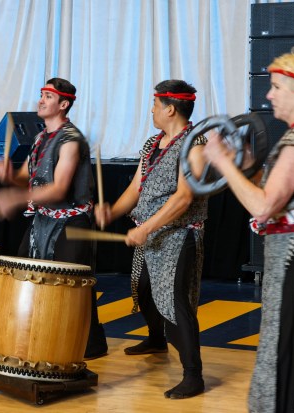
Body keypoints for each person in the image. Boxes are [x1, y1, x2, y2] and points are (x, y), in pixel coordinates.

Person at [203, 47, 294, 413]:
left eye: (277, 87)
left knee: (293, 348)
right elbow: (285, 195)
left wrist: (223, 161)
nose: (269, 95)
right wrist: (249, 167)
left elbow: (265, 206)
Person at [94, 80, 208, 398]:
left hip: (177, 235)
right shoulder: (152, 143)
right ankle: (156, 340)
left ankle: (193, 375)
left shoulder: (195, 144)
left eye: (155, 105)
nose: (152, 111)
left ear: (170, 108)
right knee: (143, 290)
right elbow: (135, 188)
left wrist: (146, 227)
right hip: (152, 236)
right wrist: (112, 211)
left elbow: (185, 198)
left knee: (175, 305)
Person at [0, 77, 109, 360]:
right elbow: (30, 177)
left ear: (63, 104)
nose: (40, 100)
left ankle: (91, 343)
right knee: (24, 273)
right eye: (41, 94)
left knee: (73, 287)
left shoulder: (71, 140)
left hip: (71, 223)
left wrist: (16, 198)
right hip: (43, 219)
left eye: (48, 96)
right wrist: (11, 177)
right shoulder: (39, 137)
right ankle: (38, 332)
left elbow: (59, 188)